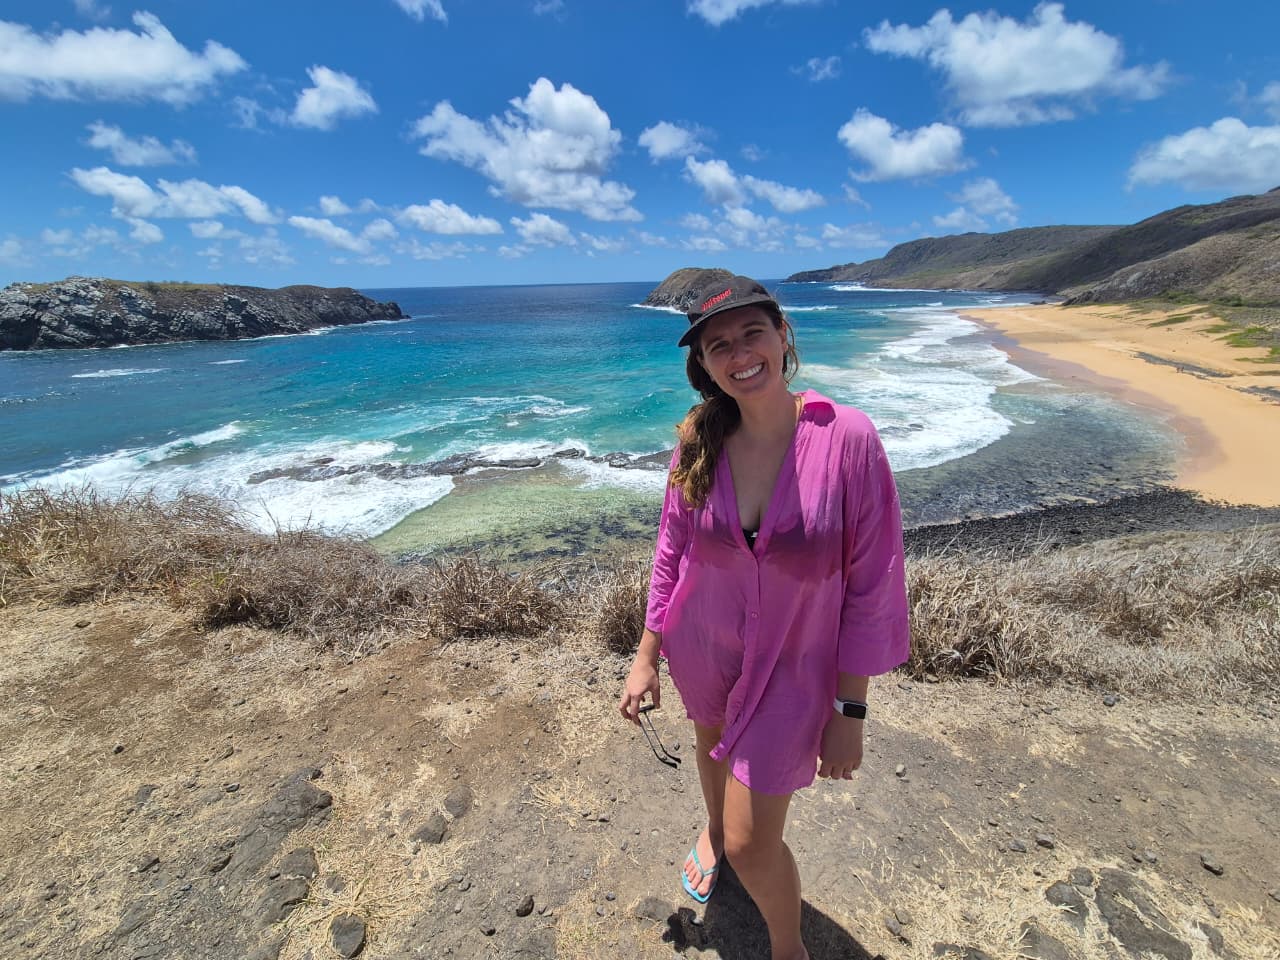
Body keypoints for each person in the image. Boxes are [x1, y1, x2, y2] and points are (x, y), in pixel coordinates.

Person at [617, 274, 910, 960]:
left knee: (758, 842)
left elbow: (873, 583)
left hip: (795, 668)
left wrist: (851, 710)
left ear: (783, 337)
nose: (739, 352)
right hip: (704, 643)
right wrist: (645, 655)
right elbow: (672, 550)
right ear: (705, 365)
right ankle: (713, 831)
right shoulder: (699, 440)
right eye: (719, 344)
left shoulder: (847, 439)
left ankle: (788, 948)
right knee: (709, 744)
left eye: (753, 332)